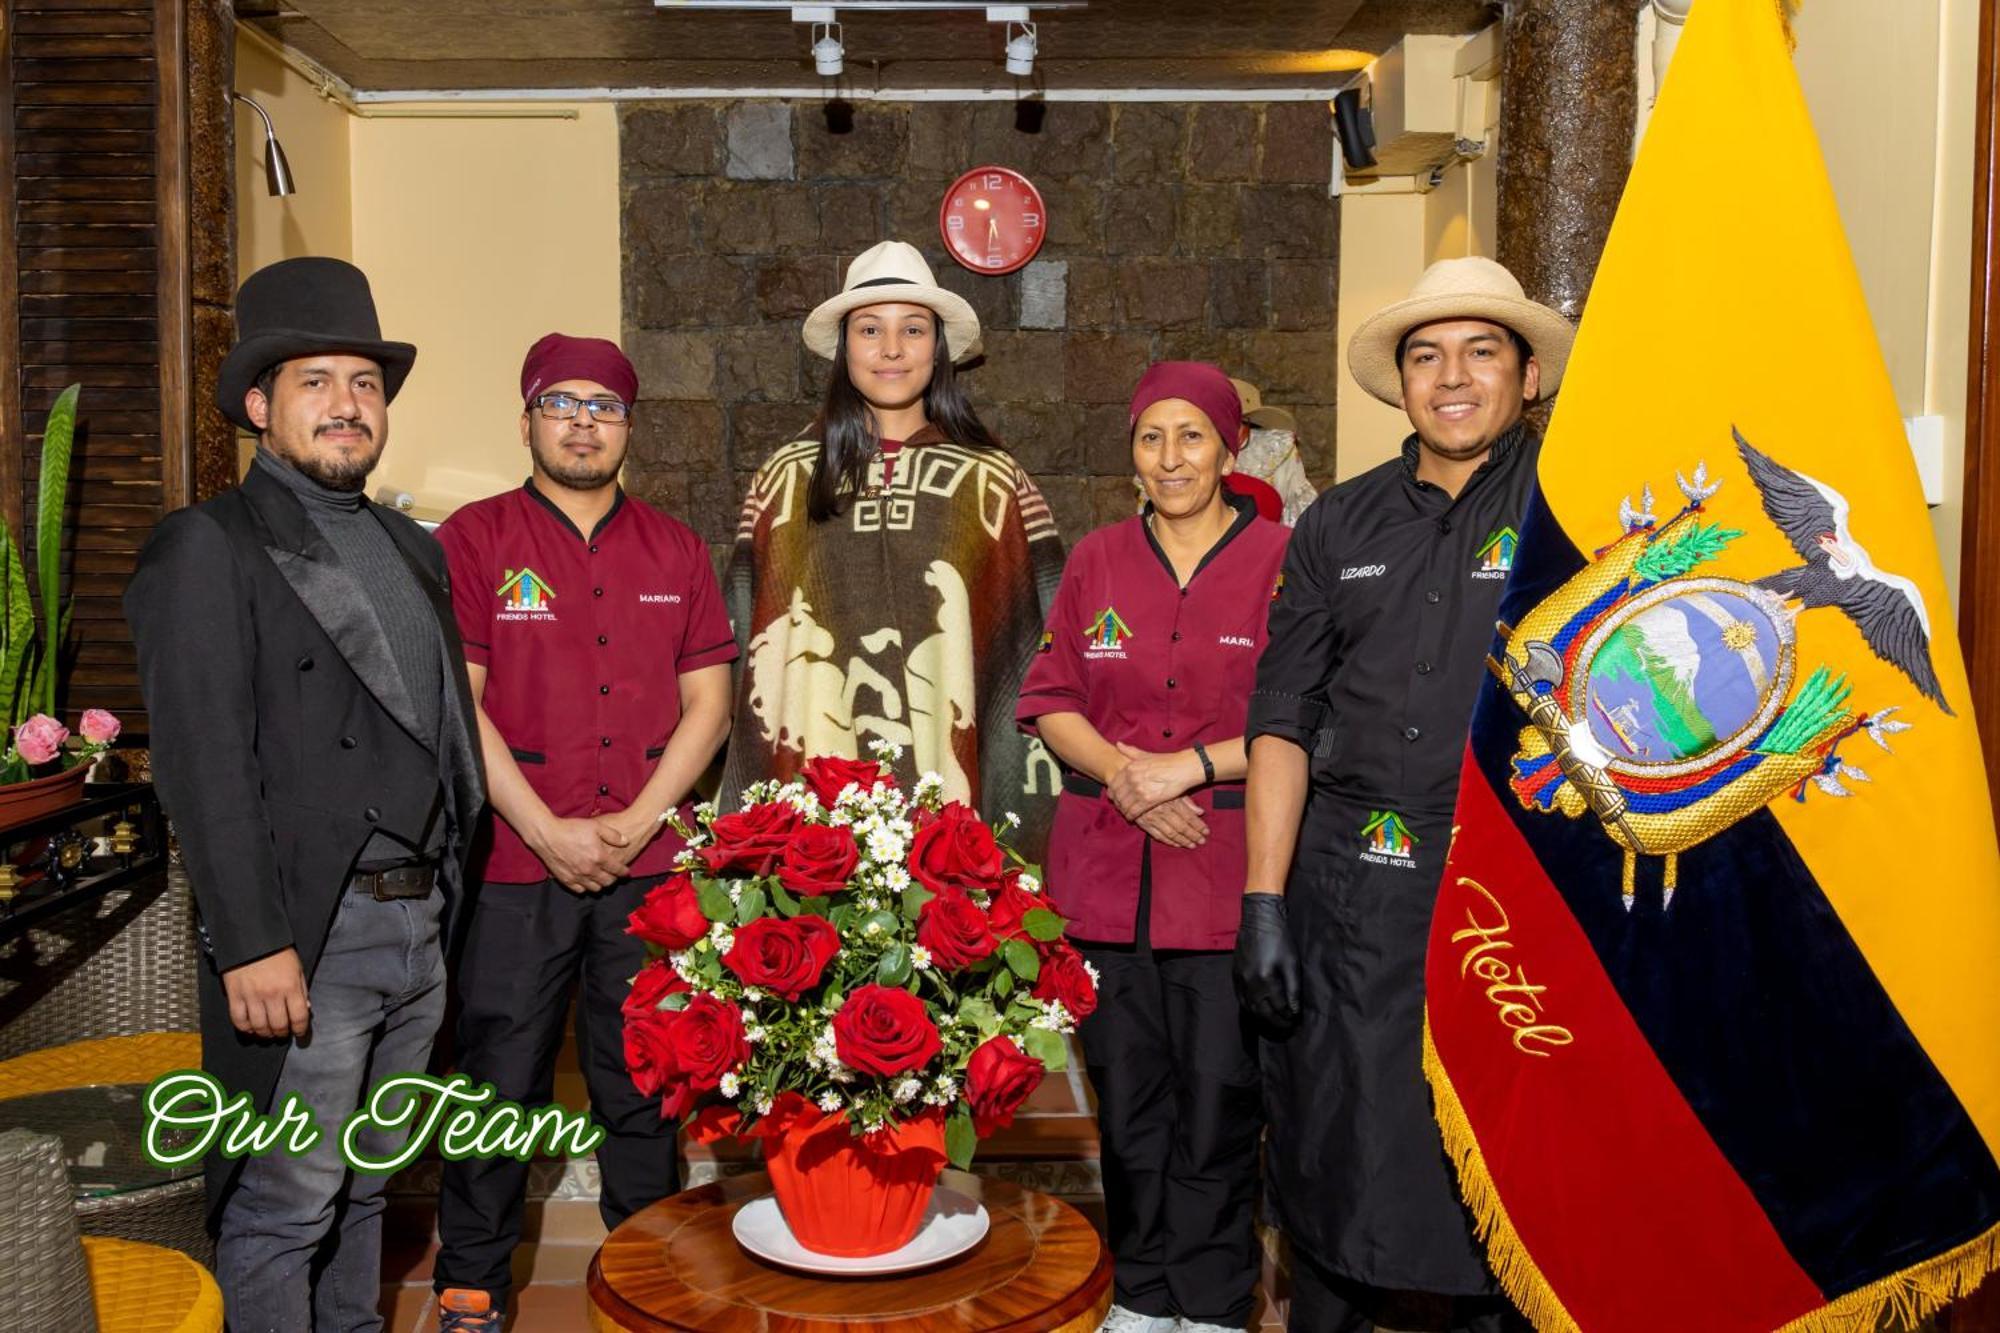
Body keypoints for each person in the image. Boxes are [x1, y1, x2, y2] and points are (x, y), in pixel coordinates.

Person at [125, 256, 485, 1332]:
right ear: (259, 405)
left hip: (420, 925)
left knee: (368, 1186)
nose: (346, 404)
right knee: (288, 1203)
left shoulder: (414, 548)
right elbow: (201, 760)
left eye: (364, 383)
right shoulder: (209, 545)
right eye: (316, 382)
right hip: (308, 935)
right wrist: (249, 942)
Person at [1233, 257, 1576, 1332]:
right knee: (1340, 1154)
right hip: (1351, 902)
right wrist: (1261, 900)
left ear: (1525, 377)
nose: (1452, 376)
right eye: (1426, 356)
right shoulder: (1334, 525)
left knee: (1506, 1177)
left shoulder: (1573, 511)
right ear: (1401, 384)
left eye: (1481, 351)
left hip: (1515, 901)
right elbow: (1281, 715)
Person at [428, 334, 737, 1330]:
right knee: (497, 1081)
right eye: (559, 402)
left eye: (603, 405)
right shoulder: (470, 542)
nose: (581, 421)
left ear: (627, 427)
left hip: (647, 869)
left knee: (641, 1079)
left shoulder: (676, 549)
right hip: (515, 866)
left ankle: (645, 1275)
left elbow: (710, 705)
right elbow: (458, 706)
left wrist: (635, 821)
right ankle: (472, 1278)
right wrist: (549, 828)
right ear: (525, 419)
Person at [1018, 362, 1290, 1333]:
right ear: (1130, 453)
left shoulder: (1282, 561)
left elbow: (1298, 714)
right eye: (1149, 438)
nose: (1169, 457)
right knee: (1128, 1110)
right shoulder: (1094, 560)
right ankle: (1140, 1294)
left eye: (1189, 436)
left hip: (1225, 881)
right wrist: (1133, 779)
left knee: (1220, 1108)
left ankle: (1214, 1304)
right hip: (1102, 882)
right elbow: (1048, 701)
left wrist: (1189, 770)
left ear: (1227, 449)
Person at [721, 240, 1063, 842]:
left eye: (913, 329)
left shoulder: (994, 479)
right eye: (870, 329)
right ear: (844, 349)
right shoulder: (786, 477)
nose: (891, 349)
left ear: (939, 348)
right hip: (812, 792)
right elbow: (745, 642)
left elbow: (1041, 644)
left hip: (947, 784)